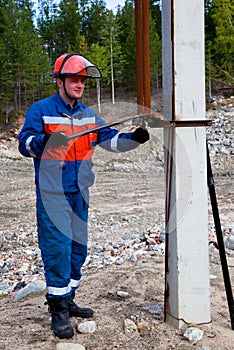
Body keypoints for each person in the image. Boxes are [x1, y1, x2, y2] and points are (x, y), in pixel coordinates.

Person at [18, 53, 149, 339]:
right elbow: (24, 144)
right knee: (58, 250)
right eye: (75, 79)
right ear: (60, 81)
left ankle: (68, 297)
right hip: (53, 193)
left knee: (78, 249)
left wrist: (133, 139)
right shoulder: (41, 110)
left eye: (82, 80)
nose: (80, 84)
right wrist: (45, 141)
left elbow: (110, 139)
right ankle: (57, 309)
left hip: (80, 192)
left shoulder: (88, 115)